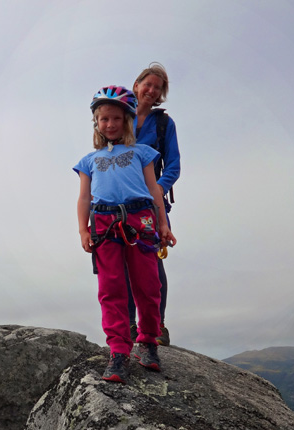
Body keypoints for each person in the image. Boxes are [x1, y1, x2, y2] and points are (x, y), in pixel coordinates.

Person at [74, 86, 177, 383]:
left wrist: (163, 224)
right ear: (97, 122)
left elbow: (154, 190)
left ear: (127, 120)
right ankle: (119, 351)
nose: (110, 124)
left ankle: (147, 342)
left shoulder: (142, 153)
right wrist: (83, 229)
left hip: (140, 219)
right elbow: (83, 199)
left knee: (148, 285)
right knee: (111, 288)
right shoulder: (88, 161)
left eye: (116, 118)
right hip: (104, 223)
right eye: (104, 119)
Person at [127, 63, 181, 346]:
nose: (151, 90)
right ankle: (129, 327)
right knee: (121, 262)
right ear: (136, 85)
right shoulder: (118, 115)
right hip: (117, 204)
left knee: (153, 263)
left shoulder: (163, 124)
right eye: (147, 84)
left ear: (161, 94)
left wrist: (157, 190)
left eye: (157, 88)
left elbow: (173, 166)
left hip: (150, 205)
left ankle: (156, 324)